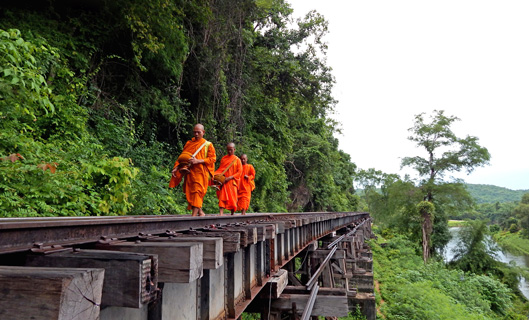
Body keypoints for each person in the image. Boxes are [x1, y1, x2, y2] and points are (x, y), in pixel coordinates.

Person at [169, 124, 216, 217]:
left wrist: (198, 161)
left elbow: (212, 159)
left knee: (197, 192)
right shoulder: (189, 143)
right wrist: (177, 167)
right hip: (189, 172)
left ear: (203, 132)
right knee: (190, 192)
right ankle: (200, 212)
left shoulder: (208, 145)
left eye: (198, 132)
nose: (196, 134)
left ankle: (193, 216)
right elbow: (183, 157)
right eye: (195, 132)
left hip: (201, 173)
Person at [213, 142, 242, 215]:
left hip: (232, 182)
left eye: (231, 150)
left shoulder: (237, 160)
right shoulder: (224, 158)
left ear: (234, 149)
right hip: (224, 181)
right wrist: (216, 176)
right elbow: (221, 169)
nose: (229, 151)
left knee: (232, 198)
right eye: (228, 150)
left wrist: (230, 177)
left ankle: (232, 213)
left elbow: (239, 172)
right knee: (222, 197)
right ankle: (221, 213)